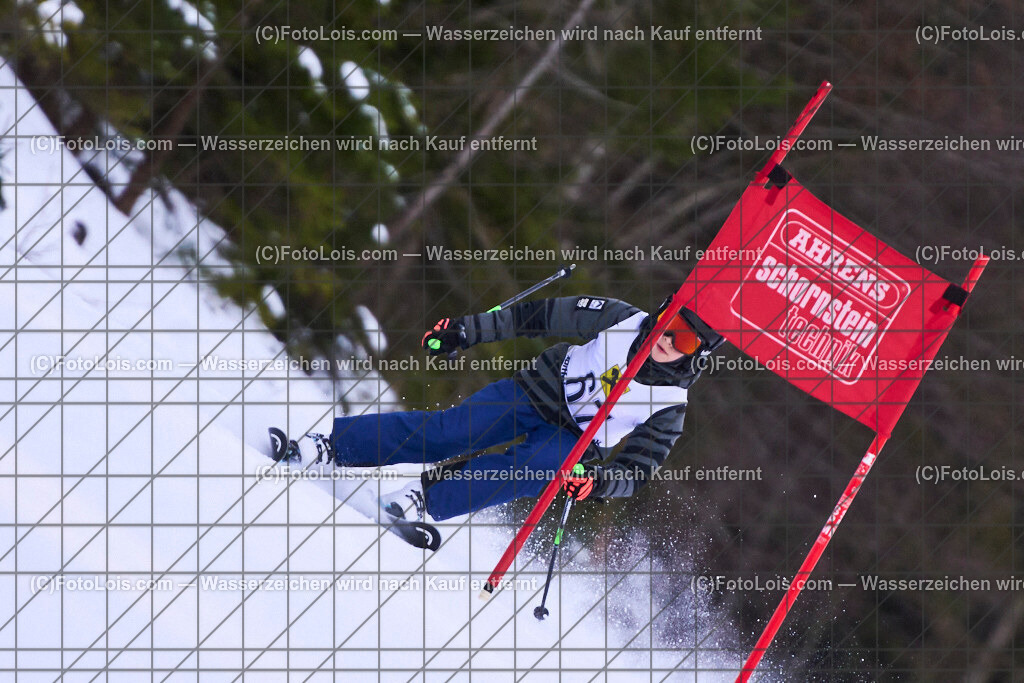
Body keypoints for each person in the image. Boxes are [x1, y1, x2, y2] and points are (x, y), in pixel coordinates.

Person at [298, 295, 724, 522]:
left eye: (684, 340)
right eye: (670, 323)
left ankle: (423, 499)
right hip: (537, 390)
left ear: (695, 355)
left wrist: (598, 482)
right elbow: (536, 316)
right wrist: (467, 331)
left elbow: (636, 470)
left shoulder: (671, 405)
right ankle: (333, 446)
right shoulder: (619, 317)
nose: (668, 339)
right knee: (451, 432)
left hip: (577, 441)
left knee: (532, 467)